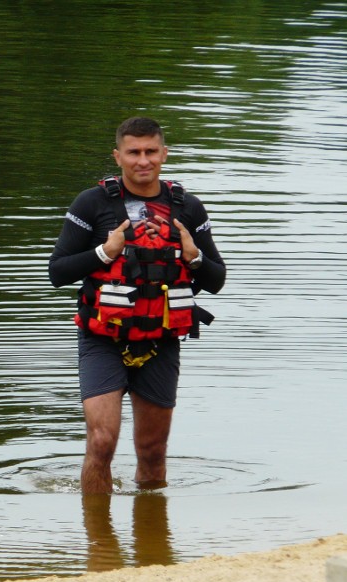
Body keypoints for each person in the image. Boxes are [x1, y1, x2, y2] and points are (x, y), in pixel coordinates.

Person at [48, 117, 226, 494]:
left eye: (150, 151)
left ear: (164, 153)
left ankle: (151, 549)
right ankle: (99, 547)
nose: (142, 161)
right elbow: (58, 272)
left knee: (152, 451)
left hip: (160, 341)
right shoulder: (93, 203)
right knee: (101, 440)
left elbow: (216, 281)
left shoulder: (188, 208)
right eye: (133, 152)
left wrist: (194, 258)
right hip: (103, 340)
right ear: (118, 156)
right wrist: (103, 252)